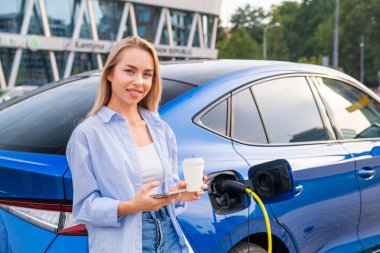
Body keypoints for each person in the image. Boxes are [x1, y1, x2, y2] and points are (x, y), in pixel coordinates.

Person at [66, 36, 207, 253]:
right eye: (130, 71)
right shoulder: (87, 134)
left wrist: (179, 194)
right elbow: (85, 207)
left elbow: (162, 193)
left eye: (147, 74)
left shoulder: (161, 129)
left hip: (169, 236)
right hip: (125, 243)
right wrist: (130, 206)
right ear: (110, 74)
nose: (139, 82)